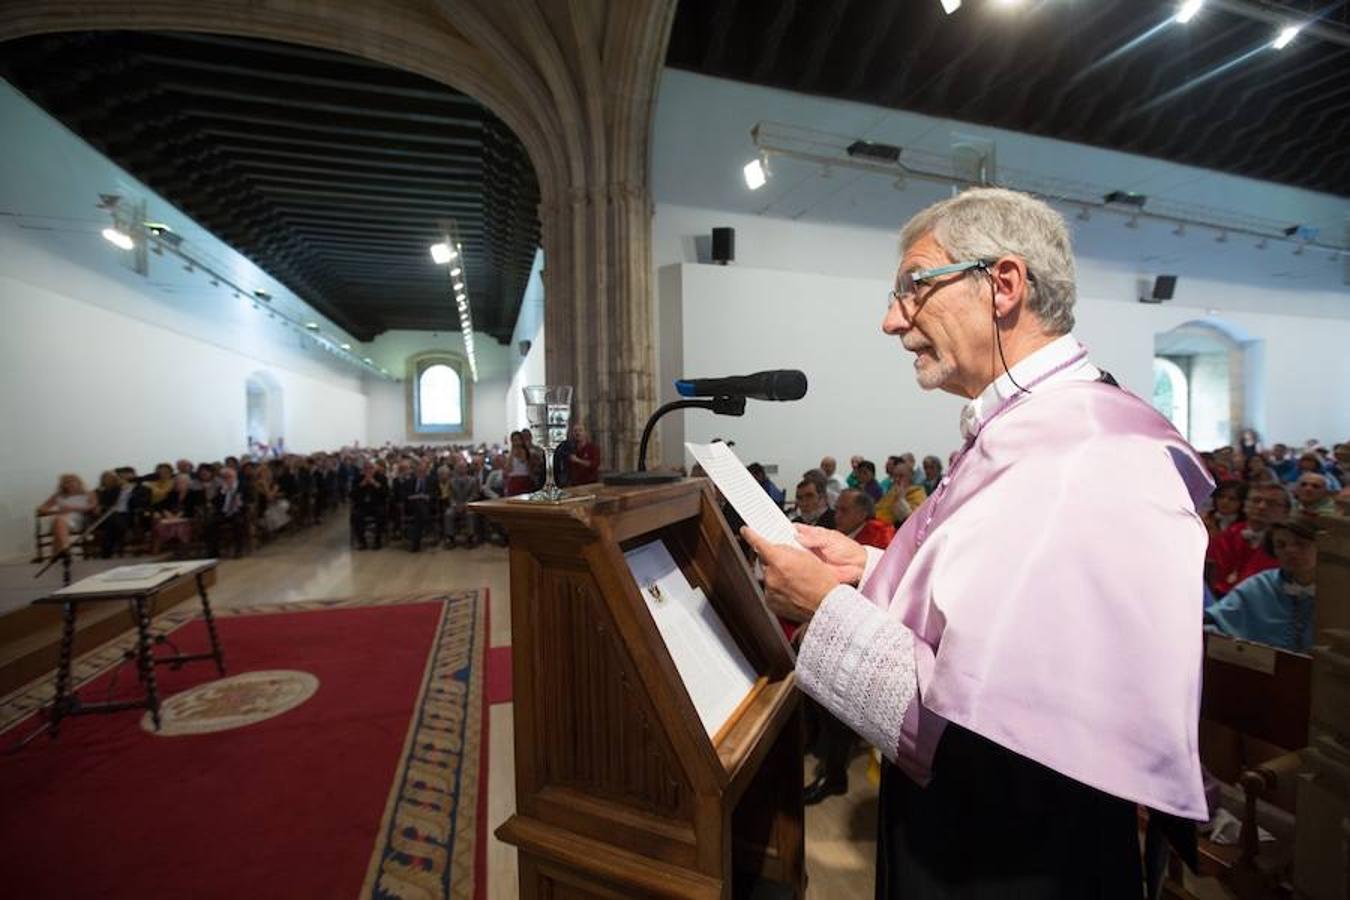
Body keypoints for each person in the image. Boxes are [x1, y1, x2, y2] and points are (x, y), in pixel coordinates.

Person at [743, 188, 1212, 897]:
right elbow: (995, 609)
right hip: (984, 825)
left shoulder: (1087, 448)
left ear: (1004, 284)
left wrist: (825, 608)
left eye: (913, 287)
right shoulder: (1034, 425)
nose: (892, 319)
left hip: (1017, 852)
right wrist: (864, 571)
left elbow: (988, 722)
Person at [1205, 517, 1321, 652]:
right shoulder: (1260, 586)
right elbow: (1216, 621)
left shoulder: (1340, 592)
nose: (1290, 551)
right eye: (1281, 545)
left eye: (1301, 544)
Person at [1208, 482, 1290, 596]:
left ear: (1286, 512)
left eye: (1272, 503)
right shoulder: (1228, 535)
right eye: (1256, 501)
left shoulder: (1288, 543)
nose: (1262, 507)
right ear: (1245, 505)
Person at [37, 474, 96, 557]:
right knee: (59, 520)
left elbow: (93, 507)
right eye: (66, 482)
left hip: (78, 520)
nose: (69, 484)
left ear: (78, 482)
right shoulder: (58, 496)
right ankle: (65, 549)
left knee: (58, 526)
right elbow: (41, 509)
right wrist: (57, 511)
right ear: (62, 485)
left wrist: (73, 508)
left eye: (72, 481)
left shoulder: (88, 494)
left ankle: (58, 555)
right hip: (60, 518)